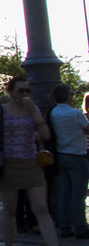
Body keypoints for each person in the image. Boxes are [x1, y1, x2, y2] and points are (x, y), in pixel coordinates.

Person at [0, 77, 73, 246]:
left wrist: (35, 115)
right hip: (9, 164)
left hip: (31, 163)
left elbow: (46, 136)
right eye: (21, 91)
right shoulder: (1, 111)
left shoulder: (33, 109)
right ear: (11, 92)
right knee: (10, 210)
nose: (24, 95)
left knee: (42, 209)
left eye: (27, 91)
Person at [48, 83, 89, 238]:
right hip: (77, 156)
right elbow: (87, 129)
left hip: (61, 155)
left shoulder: (53, 113)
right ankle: (80, 227)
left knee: (64, 193)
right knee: (78, 193)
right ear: (69, 96)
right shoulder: (76, 114)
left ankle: (64, 227)